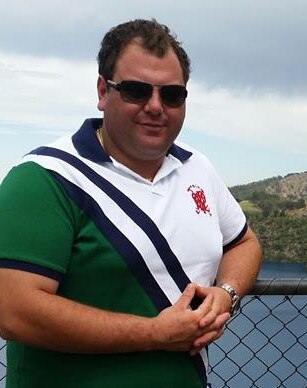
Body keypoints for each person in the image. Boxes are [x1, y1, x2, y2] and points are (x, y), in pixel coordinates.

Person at [0, 19, 261, 388]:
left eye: (172, 95)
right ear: (103, 91)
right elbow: (13, 310)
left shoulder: (196, 168)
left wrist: (226, 292)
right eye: (137, 91)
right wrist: (154, 333)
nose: (156, 106)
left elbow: (243, 242)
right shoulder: (45, 178)